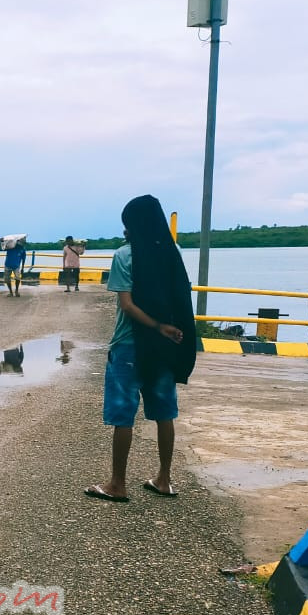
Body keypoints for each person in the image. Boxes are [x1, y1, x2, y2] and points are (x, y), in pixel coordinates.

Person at [86, 194, 195, 503]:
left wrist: (156, 326)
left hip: (129, 345)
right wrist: (167, 330)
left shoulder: (125, 255)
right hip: (164, 347)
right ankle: (164, 479)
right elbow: (180, 298)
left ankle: (117, 484)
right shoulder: (172, 254)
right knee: (164, 413)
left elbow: (128, 305)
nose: (125, 230)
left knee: (124, 416)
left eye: (127, 224)